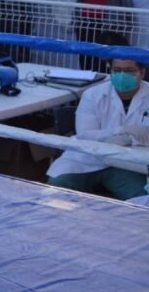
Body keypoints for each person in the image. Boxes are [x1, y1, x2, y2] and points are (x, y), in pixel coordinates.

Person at [46, 49, 149, 201]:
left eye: (129, 71)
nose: (122, 75)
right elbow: (85, 135)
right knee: (57, 188)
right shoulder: (93, 95)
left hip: (127, 164)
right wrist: (121, 131)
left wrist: (127, 139)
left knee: (143, 200)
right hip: (87, 159)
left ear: (142, 73)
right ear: (110, 71)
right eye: (117, 70)